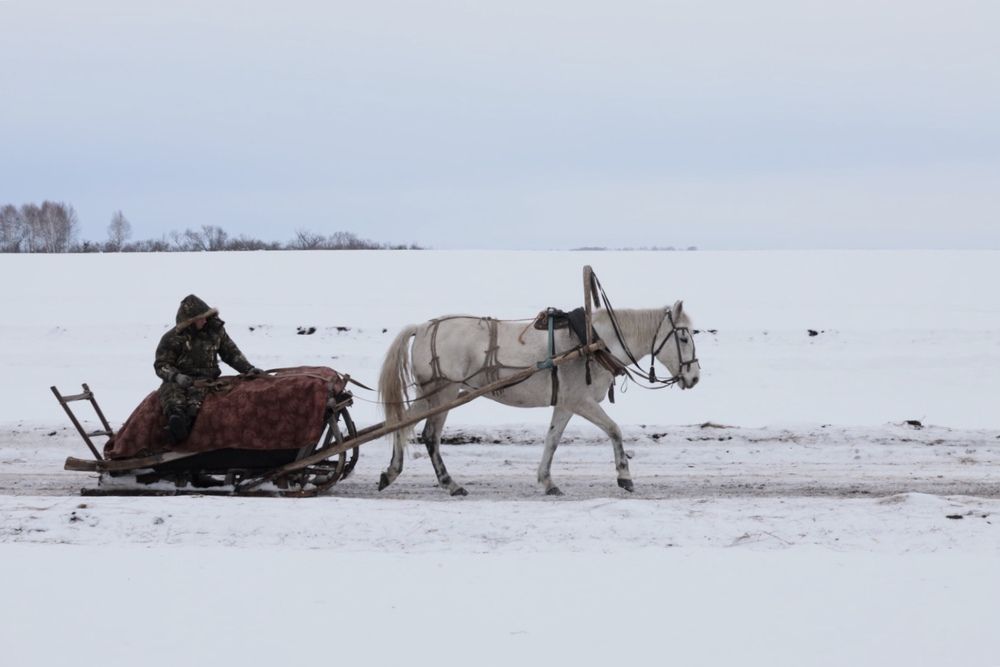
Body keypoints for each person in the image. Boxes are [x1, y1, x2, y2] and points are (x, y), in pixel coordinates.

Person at [154, 294, 264, 443]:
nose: (205, 320)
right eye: (200, 318)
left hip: (205, 379)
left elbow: (231, 353)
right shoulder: (172, 338)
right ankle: (176, 423)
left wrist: (248, 368)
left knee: (196, 402)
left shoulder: (215, 332)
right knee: (173, 396)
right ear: (189, 321)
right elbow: (161, 365)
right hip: (179, 379)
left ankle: (186, 425)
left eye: (206, 316)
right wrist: (176, 376)